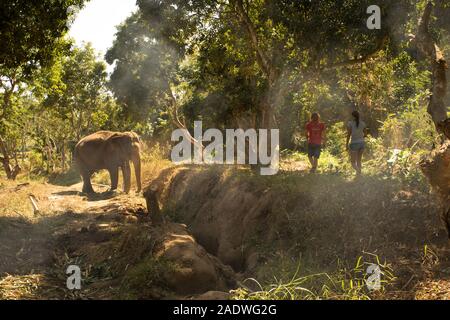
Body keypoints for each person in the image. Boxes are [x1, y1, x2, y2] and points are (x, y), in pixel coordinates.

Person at [346, 111, 367, 175]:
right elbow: (365, 134)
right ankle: (359, 174)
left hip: (354, 143)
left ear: (352, 116)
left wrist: (346, 144)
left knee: (352, 162)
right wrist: (361, 137)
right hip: (362, 143)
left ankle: (358, 171)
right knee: (359, 160)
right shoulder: (363, 123)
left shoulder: (350, 123)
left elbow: (349, 134)